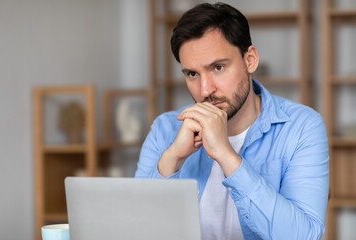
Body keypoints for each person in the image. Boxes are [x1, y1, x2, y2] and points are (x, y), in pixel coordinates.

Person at [135, 2, 329, 240]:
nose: (205, 90)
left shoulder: (302, 126)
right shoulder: (165, 129)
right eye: (192, 74)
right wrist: (173, 158)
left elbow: (304, 236)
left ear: (250, 60)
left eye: (218, 67)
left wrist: (227, 156)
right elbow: (138, 230)